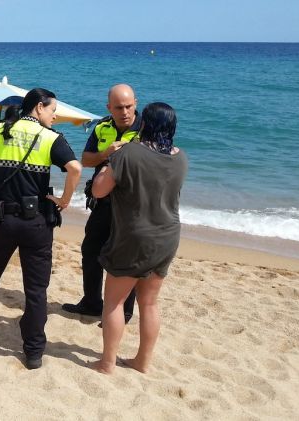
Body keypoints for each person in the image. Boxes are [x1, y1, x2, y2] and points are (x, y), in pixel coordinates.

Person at [0, 88, 82, 370]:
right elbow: (75, 168)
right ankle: (34, 352)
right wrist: (64, 200)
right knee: (36, 290)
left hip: (2, 220)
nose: (55, 115)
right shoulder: (51, 138)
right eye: (52, 110)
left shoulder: (0, 130)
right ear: (39, 107)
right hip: (36, 222)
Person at [91, 103, 188, 374]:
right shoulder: (181, 157)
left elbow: (99, 191)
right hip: (167, 235)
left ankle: (107, 363)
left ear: (145, 124)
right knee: (150, 303)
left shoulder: (129, 152)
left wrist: (106, 164)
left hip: (134, 236)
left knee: (114, 302)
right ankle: (142, 362)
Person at [62, 83, 141, 323]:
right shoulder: (103, 126)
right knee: (90, 252)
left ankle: (124, 311)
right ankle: (92, 303)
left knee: (125, 259)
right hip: (102, 202)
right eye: (119, 107)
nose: (124, 112)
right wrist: (106, 153)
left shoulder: (146, 129)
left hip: (131, 205)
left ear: (135, 104)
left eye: (128, 106)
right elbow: (85, 160)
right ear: (109, 107)